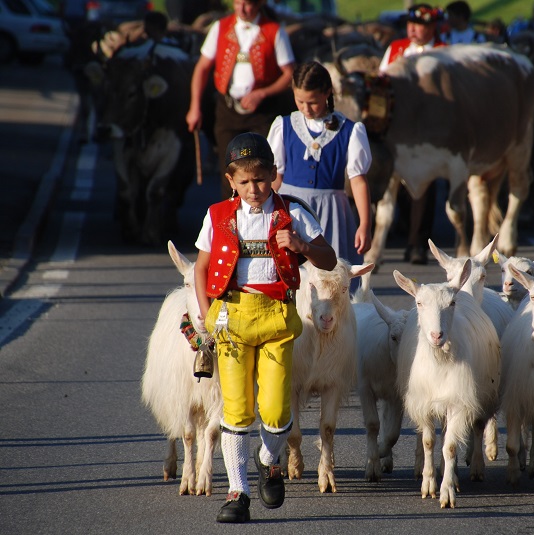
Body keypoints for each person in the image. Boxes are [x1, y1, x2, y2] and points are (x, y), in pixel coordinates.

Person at [194, 132, 337, 523]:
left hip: (276, 318)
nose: (253, 189)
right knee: (237, 409)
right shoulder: (217, 215)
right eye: (244, 181)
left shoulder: (293, 213)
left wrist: (302, 246)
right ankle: (237, 492)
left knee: (274, 409)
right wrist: (208, 316)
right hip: (231, 320)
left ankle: (269, 459)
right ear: (231, 181)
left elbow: (328, 259)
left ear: (274, 174)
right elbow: (202, 268)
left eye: (260, 179)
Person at [186, 0, 295, 200]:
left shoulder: (274, 31)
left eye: (247, 4)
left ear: (259, 4)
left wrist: (261, 94)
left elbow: (289, 74)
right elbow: (202, 67)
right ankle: (231, 216)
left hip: (263, 112)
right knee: (229, 169)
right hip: (227, 109)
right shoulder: (220, 27)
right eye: (237, 3)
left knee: (260, 167)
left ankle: (263, 213)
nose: (242, 9)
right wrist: (195, 107)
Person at [267, 61, 373, 265]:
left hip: (332, 212)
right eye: (300, 101)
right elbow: (275, 177)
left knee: (331, 272)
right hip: (291, 208)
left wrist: (365, 224)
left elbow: (358, 180)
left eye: (313, 102)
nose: (306, 108)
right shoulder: (284, 125)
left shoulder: (349, 130)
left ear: (327, 93)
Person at [379, 3, 446, 265]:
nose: (413, 29)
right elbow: (381, 81)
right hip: (397, 128)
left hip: (427, 129)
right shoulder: (396, 48)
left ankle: (418, 243)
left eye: (420, 25)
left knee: (424, 184)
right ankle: (404, 229)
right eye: (411, 24)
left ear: (433, 27)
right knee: (397, 183)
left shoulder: (444, 52)